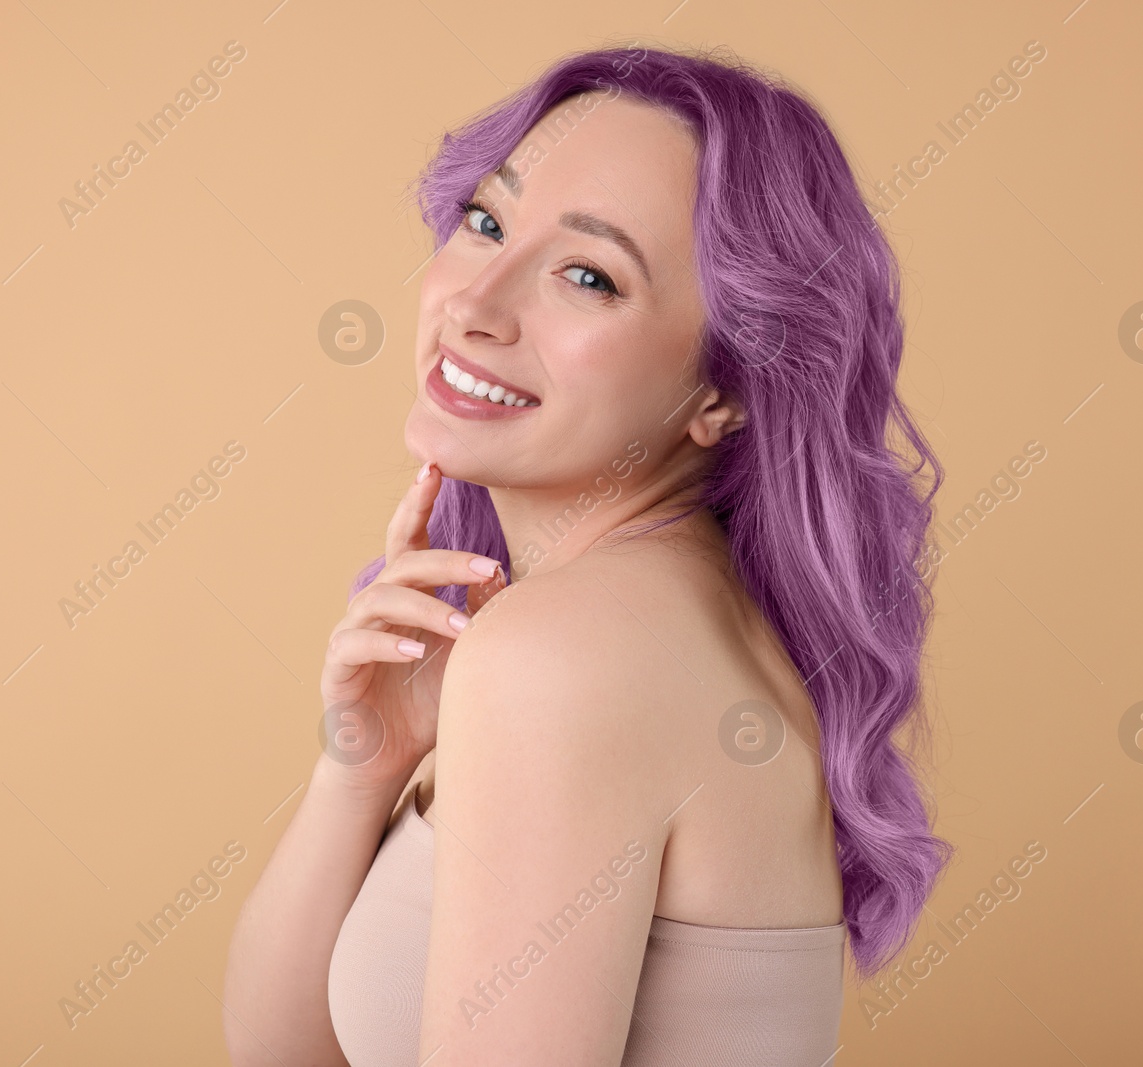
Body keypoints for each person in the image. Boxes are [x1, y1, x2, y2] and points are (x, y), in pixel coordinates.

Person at [223, 43, 952, 1066]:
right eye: (486, 222)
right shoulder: (644, 616)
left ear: (724, 390)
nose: (475, 305)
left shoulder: (568, 653)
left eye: (587, 275)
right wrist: (363, 768)